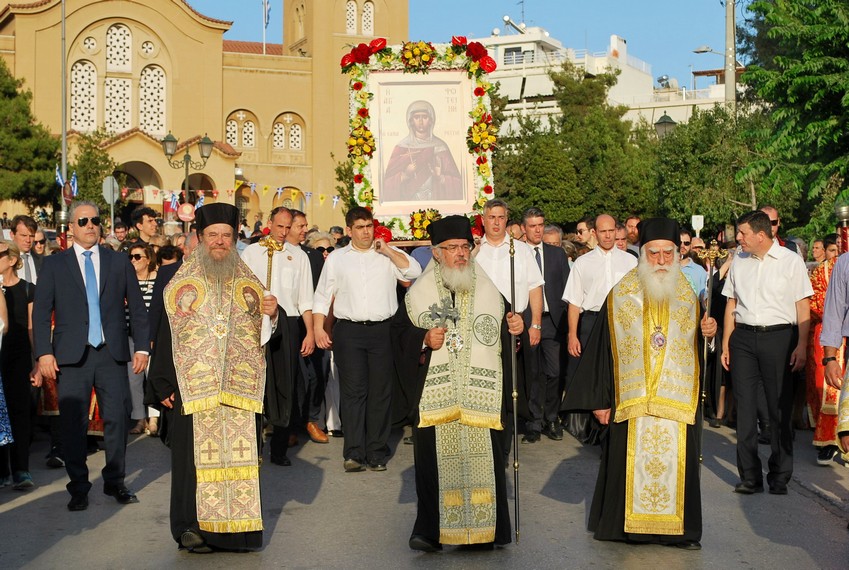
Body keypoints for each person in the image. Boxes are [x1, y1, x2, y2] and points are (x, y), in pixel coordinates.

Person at [563, 218, 717, 550]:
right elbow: (602, 353)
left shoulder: (691, 299)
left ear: (677, 254)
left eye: (667, 253)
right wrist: (601, 401)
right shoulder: (621, 295)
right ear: (642, 253)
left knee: (679, 464)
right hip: (631, 404)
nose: (661, 260)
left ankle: (679, 532)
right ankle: (628, 529)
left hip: (674, 404)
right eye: (654, 253)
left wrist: (710, 336)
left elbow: (702, 356)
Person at [148, 203, 280, 553]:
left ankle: (235, 531)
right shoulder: (176, 279)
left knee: (239, 458)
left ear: (234, 239)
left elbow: (264, 338)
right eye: (213, 235)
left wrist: (273, 314)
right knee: (191, 461)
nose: (220, 242)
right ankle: (189, 528)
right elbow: (164, 334)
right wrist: (162, 383)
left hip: (239, 388)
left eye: (227, 236)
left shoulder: (250, 279)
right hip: (193, 386)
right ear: (199, 237)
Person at [393, 215, 521, 551]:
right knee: (434, 467)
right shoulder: (418, 294)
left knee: (484, 464)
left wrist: (517, 326)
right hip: (436, 396)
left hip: (480, 394)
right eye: (452, 248)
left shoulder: (490, 290)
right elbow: (397, 337)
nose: (460, 254)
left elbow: (508, 328)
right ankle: (430, 532)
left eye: (465, 247)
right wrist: (423, 338)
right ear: (436, 253)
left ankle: (485, 531)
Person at [32, 201, 149, 512]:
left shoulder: (117, 261)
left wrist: (141, 347)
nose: (90, 225)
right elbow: (42, 313)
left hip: (111, 354)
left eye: (95, 220)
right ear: (71, 228)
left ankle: (115, 481)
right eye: (82, 221)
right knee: (73, 425)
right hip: (71, 357)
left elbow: (136, 307)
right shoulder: (55, 265)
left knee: (117, 419)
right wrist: (43, 352)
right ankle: (79, 487)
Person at [313, 206, 421, 472]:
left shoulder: (386, 255)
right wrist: (318, 328)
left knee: (381, 392)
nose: (366, 232)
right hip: (349, 331)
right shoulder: (337, 259)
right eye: (360, 227)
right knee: (353, 392)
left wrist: (387, 251)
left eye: (369, 226)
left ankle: (376, 452)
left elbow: (414, 272)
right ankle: (353, 452)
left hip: (383, 330)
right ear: (349, 230)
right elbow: (322, 296)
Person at [721, 210, 812, 495]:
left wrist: (801, 345)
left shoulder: (790, 261)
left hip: (779, 338)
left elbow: (802, 305)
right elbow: (731, 303)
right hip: (744, 338)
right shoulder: (739, 261)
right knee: (746, 408)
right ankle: (749, 476)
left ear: (761, 235)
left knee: (778, 408)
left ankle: (780, 474)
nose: (738, 238)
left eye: (743, 233)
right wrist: (726, 342)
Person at [241, 207, 316, 467]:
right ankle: (253, 446)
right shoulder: (251, 253)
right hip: (255, 323)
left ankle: (280, 448)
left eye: (288, 227)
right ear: (269, 224)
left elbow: (305, 298)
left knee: (287, 385)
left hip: (290, 324)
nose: (284, 233)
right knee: (256, 384)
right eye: (280, 226)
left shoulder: (299, 256)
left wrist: (310, 333)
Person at [562, 214, 637, 444]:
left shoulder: (631, 262)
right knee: (591, 372)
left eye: (611, 231)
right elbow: (574, 302)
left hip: (622, 323)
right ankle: (590, 427)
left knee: (618, 372)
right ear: (595, 233)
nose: (607, 235)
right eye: (603, 231)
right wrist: (572, 334)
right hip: (591, 321)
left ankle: (618, 421)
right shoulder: (583, 263)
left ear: (617, 231)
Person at [473, 200, 543, 446]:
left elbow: (535, 287)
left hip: (514, 322)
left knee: (511, 382)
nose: (496, 222)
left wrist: (535, 324)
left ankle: (504, 436)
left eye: (501, 217)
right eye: (491, 217)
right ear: (483, 219)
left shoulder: (521, 250)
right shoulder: (474, 250)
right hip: (479, 324)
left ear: (507, 219)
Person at [520, 207, 570, 441]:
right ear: (524, 228)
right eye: (533, 226)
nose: (538, 230)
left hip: (554, 321)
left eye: (541, 224)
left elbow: (567, 287)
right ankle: (533, 421)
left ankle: (551, 418)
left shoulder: (556, 254)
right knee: (533, 372)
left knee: (554, 371)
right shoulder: (518, 254)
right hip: (527, 320)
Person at [0, 241, 34, 489]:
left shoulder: (28, 290)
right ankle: (2, 471)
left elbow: (33, 328)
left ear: (11, 260)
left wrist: (37, 361)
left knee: (20, 411)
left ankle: (22, 469)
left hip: (20, 356)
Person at [383, 100, 462, 202]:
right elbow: (386, 186)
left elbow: (458, 184)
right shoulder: (402, 147)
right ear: (411, 121)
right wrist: (405, 174)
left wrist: (440, 177)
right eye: (416, 117)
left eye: (424, 117)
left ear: (430, 121)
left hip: (434, 198)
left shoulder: (440, 147)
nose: (420, 122)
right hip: (410, 200)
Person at [126, 243, 158, 437]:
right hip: (131, 336)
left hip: (153, 337)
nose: (133, 260)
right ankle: (139, 418)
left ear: (148, 259)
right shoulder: (127, 281)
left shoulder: (157, 280)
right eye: (130, 257)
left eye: (137, 257)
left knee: (152, 377)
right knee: (134, 379)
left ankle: (154, 418)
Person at [10, 215, 40, 285]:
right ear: (12, 235)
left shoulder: (42, 261)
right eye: (23, 235)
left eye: (31, 236)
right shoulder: (5, 260)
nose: (28, 240)